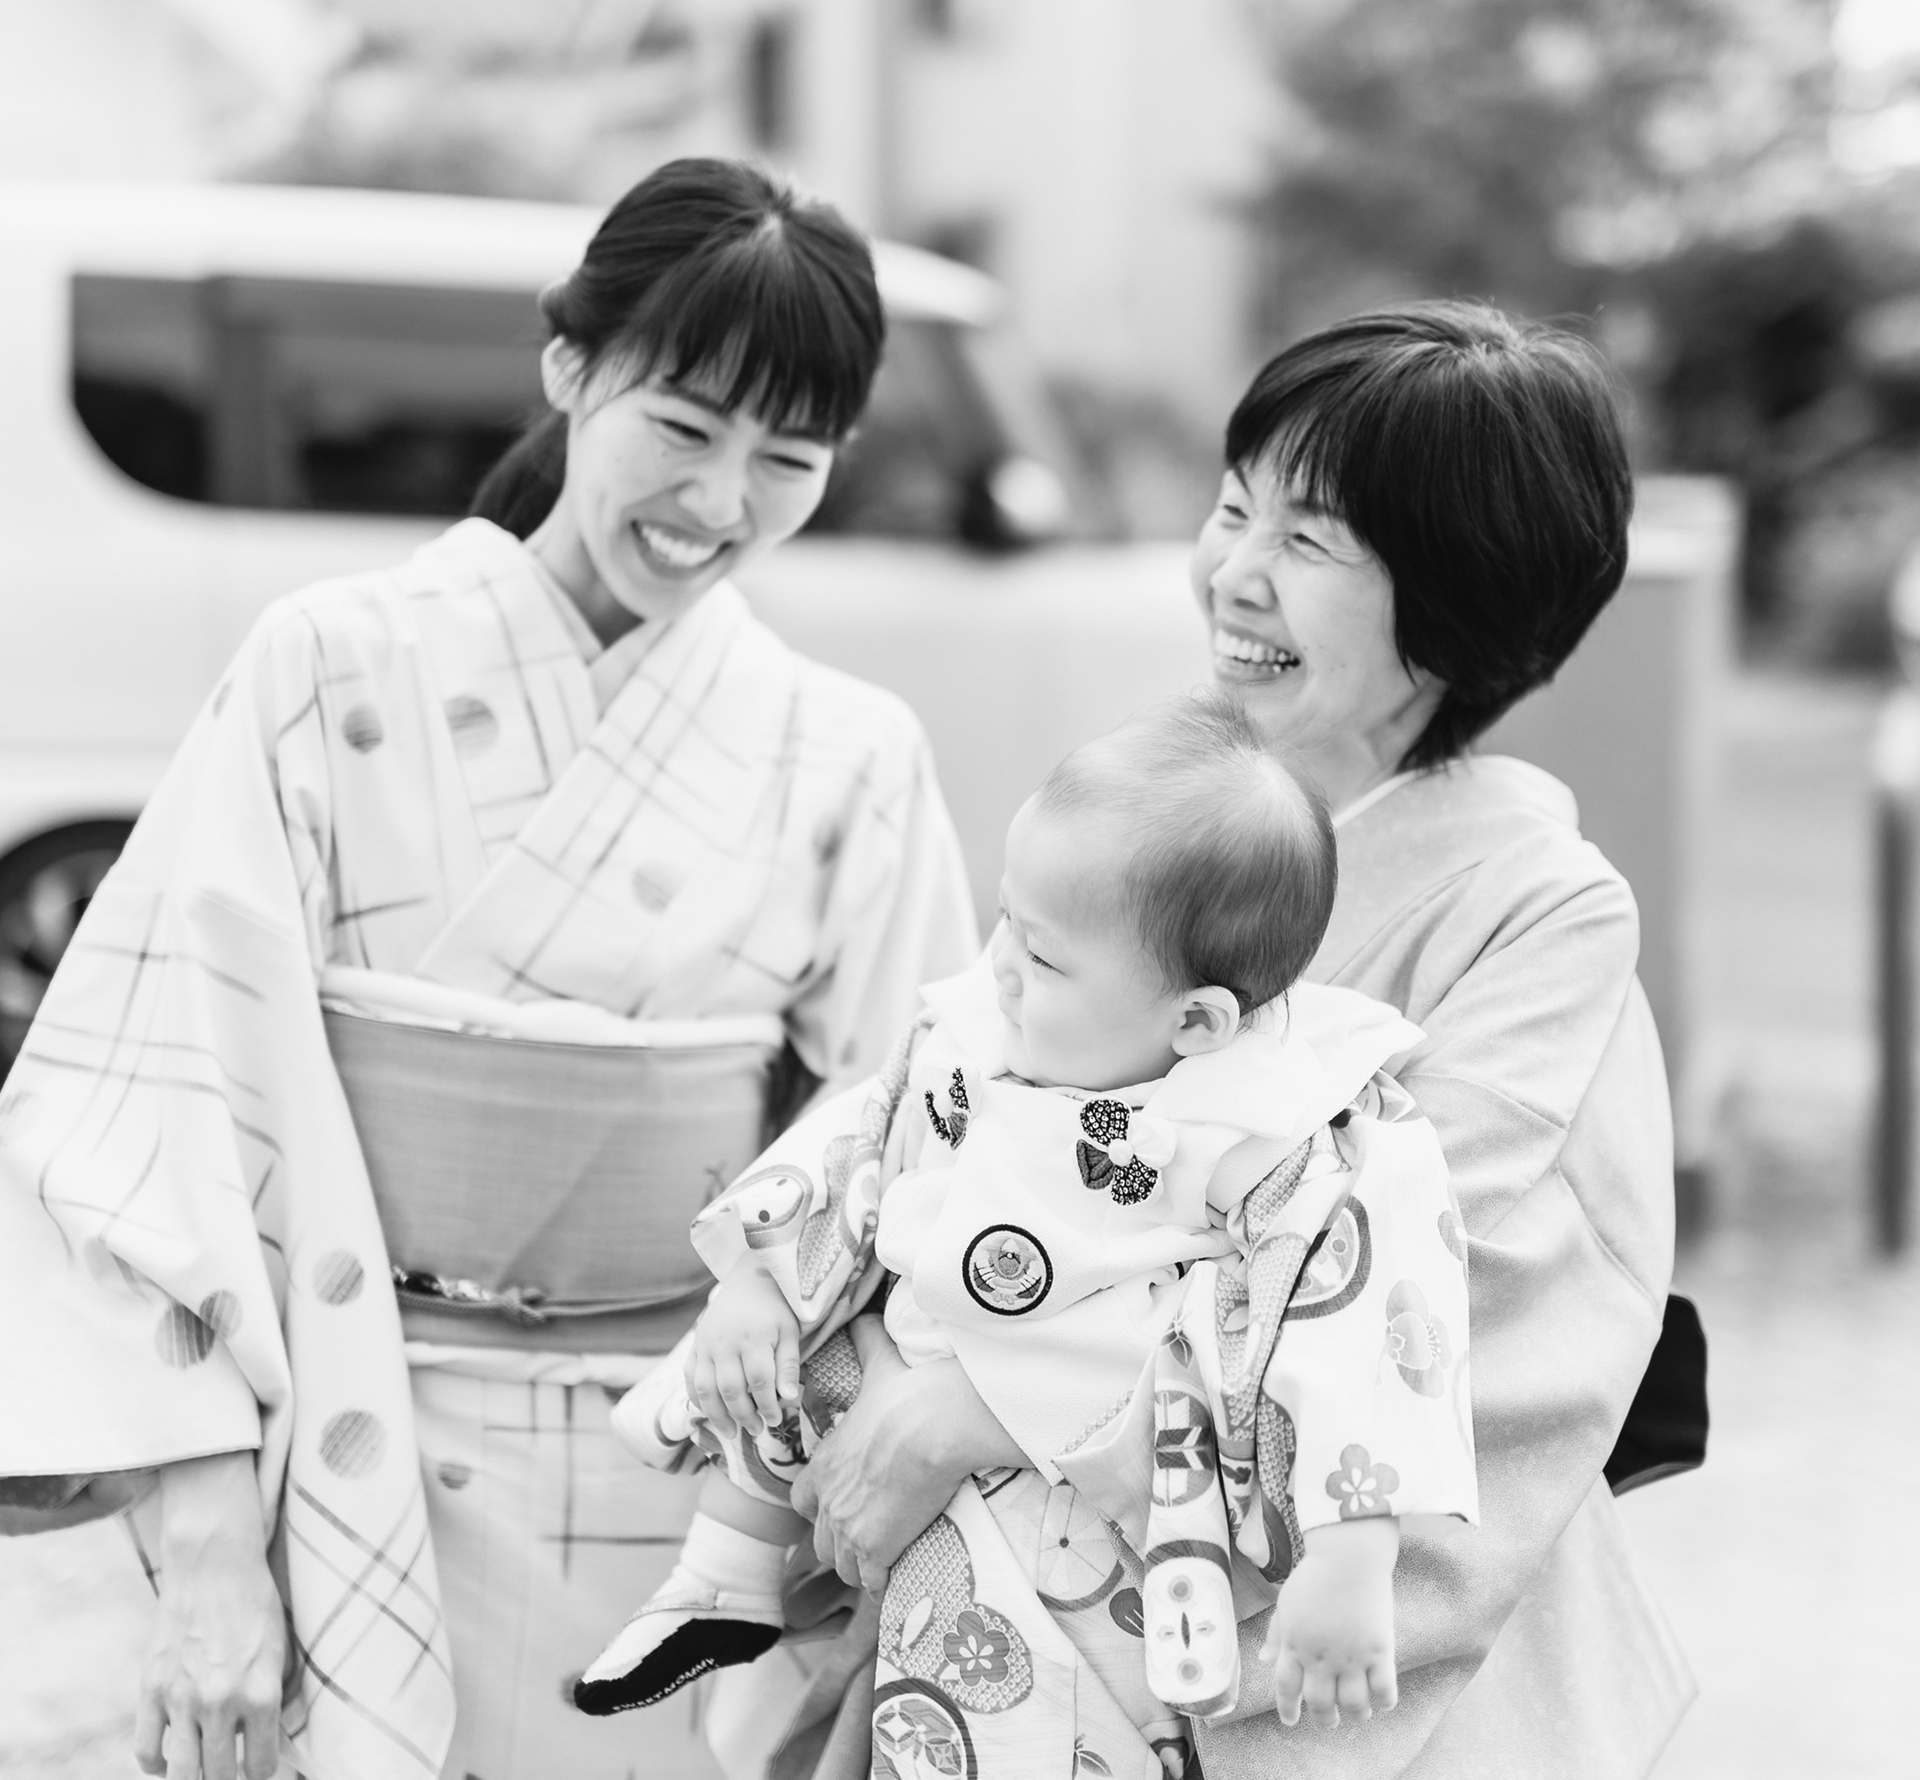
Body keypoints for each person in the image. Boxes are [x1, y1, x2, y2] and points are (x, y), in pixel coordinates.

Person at [0, 158, 978, 1780]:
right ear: (569, 364)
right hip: (350, 1438)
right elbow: (147, 1107)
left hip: (686, 1482)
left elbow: (928, 1148)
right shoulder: (325, 663)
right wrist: (206, 1543)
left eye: (789, 460)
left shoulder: (852, 750)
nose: (721, 502)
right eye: (684, 426)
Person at [728, 303, 1688, 1780]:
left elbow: (1406, 1280)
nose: (1234, 572)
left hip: (1316, 1655)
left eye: (1308, 542)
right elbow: (964, 1098)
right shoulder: (1172, 802)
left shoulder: (1534, 907)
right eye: (1235, 510)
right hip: (1004, 1601)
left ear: (1456, 593)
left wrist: (995, 1399)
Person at [573, 694, 1476, 1768]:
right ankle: (723, 1578)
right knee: (774, 1360)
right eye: (1006, 920)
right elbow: (861, 1139)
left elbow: (1363, 1312)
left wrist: (1350, 1549)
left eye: (1044, 960)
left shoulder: (1269, 1125)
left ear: (1198, 1020)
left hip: (1076, 1510)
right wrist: (757, 1282)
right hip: (893, 1383)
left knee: (1011, 1711)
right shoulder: (981, 1030)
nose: (1002, 965)